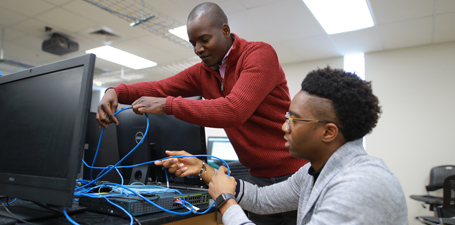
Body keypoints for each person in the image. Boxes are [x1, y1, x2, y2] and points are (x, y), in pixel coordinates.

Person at [96, 2, 305, 224]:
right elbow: (160, 87)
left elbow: (234, 110)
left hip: (294, 171)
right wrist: (115, 91)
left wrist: (168, 105)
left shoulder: (259, 55)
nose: (198, 49)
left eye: (204, 40)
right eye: (193, 43)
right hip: (256, 177)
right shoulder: (204, 72)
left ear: (225, 31)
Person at [157, 67, 408, 224]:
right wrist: (202, 168)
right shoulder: (312, 173)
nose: (283, 127)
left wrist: (225, 201)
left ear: (328, 132)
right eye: (287, 118)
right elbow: (263, 199)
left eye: (294, 120)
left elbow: (236, 200)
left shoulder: (360, 186)